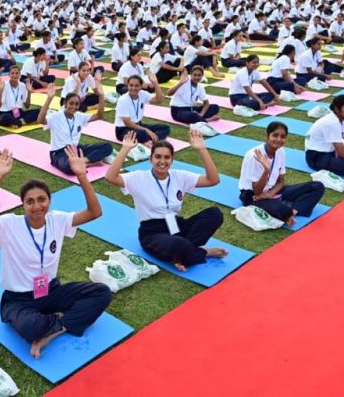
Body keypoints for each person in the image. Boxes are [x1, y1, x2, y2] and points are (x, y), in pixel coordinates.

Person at [0, 148, 111, 359]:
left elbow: (95, 212)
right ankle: (58, 322)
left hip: (50, 291)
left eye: (42, 199)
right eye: (30, 201)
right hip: (19, 299)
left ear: (49, 201)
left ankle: (57, 327)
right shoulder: (8, 224)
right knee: (30, 326)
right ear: (23, 204)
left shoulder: (57, 220)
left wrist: (82, 175)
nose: (37, 206)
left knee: (102, 293)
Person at [104, 130, 228, 271]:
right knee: (179, 244)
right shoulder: (138, 178)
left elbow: (213, 180)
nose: (162, 162)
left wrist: (202, 149)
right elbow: (110, 177)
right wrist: (125, 149)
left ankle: (184, 252)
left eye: (167, 157)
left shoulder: (179, 176)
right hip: (152, 233)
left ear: (172, 160)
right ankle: (199, 252)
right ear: (150, 159)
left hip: (175, 225)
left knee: (214, 214)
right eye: (158, 157)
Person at [239, 121, 325, 226]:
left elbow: (281, 182)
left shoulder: (281, 151)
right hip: (253, 196)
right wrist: (266, 170)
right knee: (283, 208)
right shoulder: (254, 156)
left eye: (283, 137)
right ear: (267, 136)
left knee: (317, 186)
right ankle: (287, 210)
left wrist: (270, 194)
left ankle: (292, 212)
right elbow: (257, 191)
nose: (279, 139)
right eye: (275, 135)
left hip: (273, 191)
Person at [37, 83, 113, 174]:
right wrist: (49, 98)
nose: (74, 107)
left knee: (107, 147)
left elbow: (99, 116)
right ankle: (89, 162)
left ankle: (83, 161)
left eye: (76, 104)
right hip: (59, 153)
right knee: (69, 167)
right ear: (65, 104)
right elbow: (40, 120)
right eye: (71, 103)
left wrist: (101, 96)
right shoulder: (56, 116)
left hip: (75, 149)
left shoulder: (79, 116)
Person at [114, 72, 169, 144]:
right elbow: (128, 123)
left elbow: (159, 100)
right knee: (142, 133)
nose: (133, 88)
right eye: (131, 85)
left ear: (141, 86)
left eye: (136, 86)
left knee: (165, 128)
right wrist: (146, 130)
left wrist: (155, 83)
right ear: (127, 86)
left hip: (138, 125)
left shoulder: (142, 94)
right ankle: (150, 138)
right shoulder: (123, 100)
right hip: (123, 129)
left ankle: (149, 140)